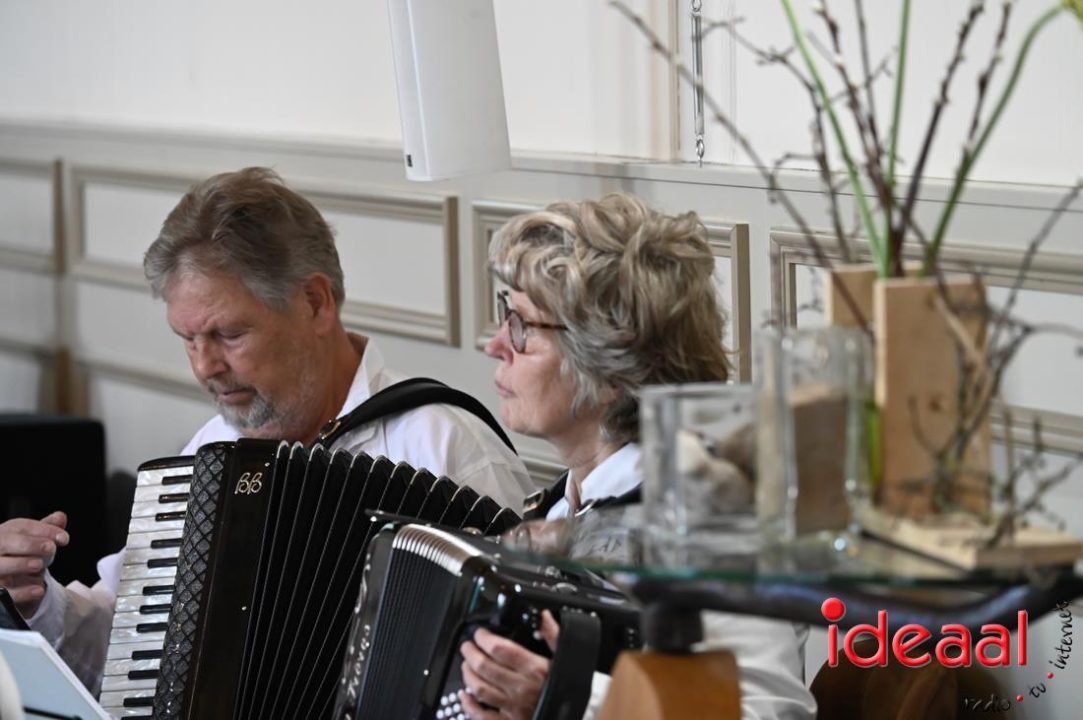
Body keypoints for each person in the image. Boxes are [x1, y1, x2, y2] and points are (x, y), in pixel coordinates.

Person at [0, 167, 533, 694]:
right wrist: (38, 601)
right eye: (188, 339)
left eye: (229, 334)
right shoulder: (213, 449)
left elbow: (511, 676)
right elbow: (128, 651)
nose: (205, 366)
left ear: (315, 303)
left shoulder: (447, 450)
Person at [458, 193, 816, 719]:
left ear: (608, 368)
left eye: (522, 326)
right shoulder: (561, 507)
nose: (495, 344)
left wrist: (569, 701)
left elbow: (767, 713)